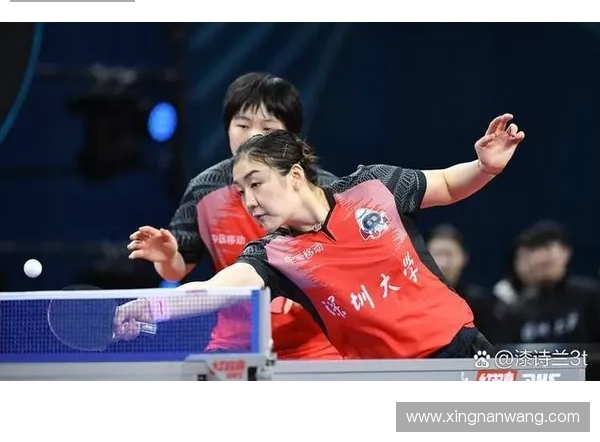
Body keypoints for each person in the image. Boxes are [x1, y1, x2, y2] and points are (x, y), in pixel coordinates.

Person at [117, 113, 525, 359]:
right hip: (387, 381)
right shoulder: (273, 255)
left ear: (295, 175)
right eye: (241, 192)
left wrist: (484, 167)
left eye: (256, 183)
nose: (249, 201)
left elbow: (447, 185)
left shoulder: (373, 186)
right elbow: (214, 290)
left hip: (463, 350)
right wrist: (152, 307)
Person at [127, 72, 342, 360]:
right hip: (234, 343)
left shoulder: (322, 190)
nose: (252, 136)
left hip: (317, 345)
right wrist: (167, 257)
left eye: (267, 127)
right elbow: (176, 271)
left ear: (291, 137)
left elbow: (346, 271)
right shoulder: (205, 189)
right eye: (242, 125)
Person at [493, 220, 600, 344]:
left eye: (547, 249)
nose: (540, 257)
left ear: (566, 252)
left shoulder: (589, 296)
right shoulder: (515, 312)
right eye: (532, 251)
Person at [427, 224, 499, 341]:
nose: (442, 263)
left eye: (448, 254)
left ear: (464, 257)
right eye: (436, 254)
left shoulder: (481, 302)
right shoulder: (412, 300)